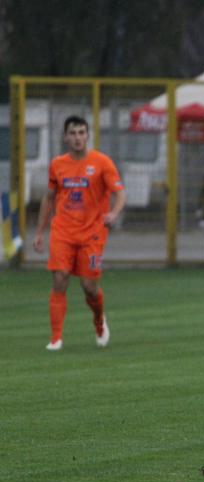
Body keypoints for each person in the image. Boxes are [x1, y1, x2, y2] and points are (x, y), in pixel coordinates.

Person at [32, 115, 125, 351]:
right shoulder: (57, 164)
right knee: (60, 278)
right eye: (73, 133)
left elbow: (120, 193)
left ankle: (99, 321)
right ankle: (56, 338)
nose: (77, 138)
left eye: (81, 133)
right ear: (65, 137)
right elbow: (49, 197)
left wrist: (113, 213)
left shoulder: (102, 162)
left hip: (92, 233)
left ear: (87, 135)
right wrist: (40, 231)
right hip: (63, 230)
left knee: (89, 286)